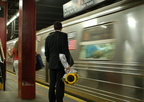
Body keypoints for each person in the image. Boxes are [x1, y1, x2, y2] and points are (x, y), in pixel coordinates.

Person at [45, 21, 73, 102]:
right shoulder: (64, 35)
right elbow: (65, 50)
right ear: (61, 28)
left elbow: (47, 52)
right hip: (61, 63)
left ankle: (51, 100)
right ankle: (59, 100)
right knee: (60, 84)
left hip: (52, 63)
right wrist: (67, 64)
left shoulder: (48, 37)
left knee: (52, 84)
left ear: (54, 28)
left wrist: (49, 61)